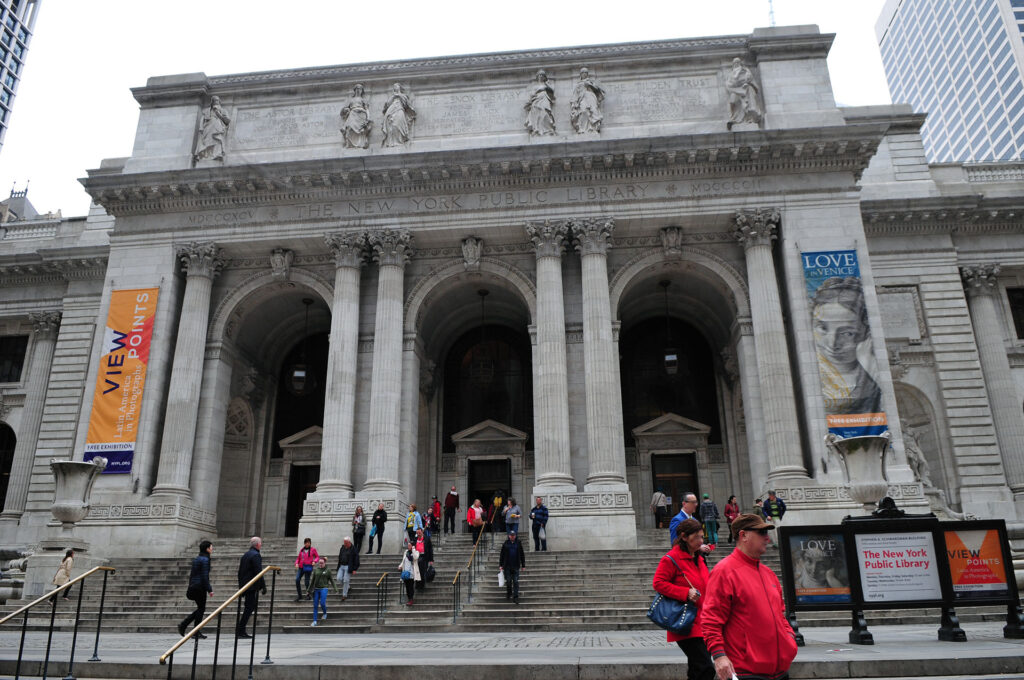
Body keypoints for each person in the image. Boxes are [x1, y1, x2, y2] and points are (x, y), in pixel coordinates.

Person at [702, 514, 797, 680]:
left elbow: (780, 615)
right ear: (743, 535)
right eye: (761, 533)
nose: (767, 538)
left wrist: (789, 640)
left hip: (780, 671)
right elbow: (711, 619)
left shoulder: (769, 574)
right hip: (746, 672)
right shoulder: (724, 571)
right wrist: (719, 655)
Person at [811, 276, 882, 416]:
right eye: (823, 328)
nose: (832, 344)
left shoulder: (874, 377)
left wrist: (870, 366)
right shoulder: (809, 376)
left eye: (847, 333)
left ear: (866, 332)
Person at [652, 518, 714, 680]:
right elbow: (658, 583)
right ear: (684, 537)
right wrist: (684, 592)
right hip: (686, 620)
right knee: (705, 667)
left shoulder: (699, 558)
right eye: (698, 537)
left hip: (704, 620)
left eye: (702, 537)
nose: (701, 541)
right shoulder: (671, 558)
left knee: (697, 668)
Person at [178, 540, 213, 638]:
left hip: (194, 586)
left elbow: (193, 575)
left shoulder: (197, 558)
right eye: (211, 547)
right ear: (207, 549)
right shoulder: (205, 560)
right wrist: (209, 589)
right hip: (200, 587)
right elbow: (204, 576)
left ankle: (187, 627)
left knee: (200, 609)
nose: (212, 549)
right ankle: (190, 628)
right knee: (201, 609)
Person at [236, 536, 267, 639]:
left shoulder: (246, 554)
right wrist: (263, 585)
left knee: (249, 607)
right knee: (249, 607)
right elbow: (259, 572)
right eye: (261, 543)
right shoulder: (256, 555)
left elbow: (240, 572)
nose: (261, 545)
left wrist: (241, 586)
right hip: (251, 586)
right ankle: (240, 630)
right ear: (258, 545)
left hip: (246, 585)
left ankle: (241, 629)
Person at [725, 58, 763, 130]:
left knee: (746, 104)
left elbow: (749, 79)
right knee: (732, 102)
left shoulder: (745, 70)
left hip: (745, 89)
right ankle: (734, 117)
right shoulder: (731, 73)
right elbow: (729, 83)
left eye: (738, 62)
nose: (736, 64)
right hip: (735, 90)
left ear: (740, 63)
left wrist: (745, 81)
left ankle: (747, 118)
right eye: (735, 63)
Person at [194, 96, 231, 161]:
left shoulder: (223, 111)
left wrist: (219, 114)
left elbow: (227, 121)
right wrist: (201, 127)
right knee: (207, 140)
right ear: (212, 102)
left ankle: (217, 154)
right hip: (208, 126)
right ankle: (205, 155)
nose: (216, 102)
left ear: (219, 102)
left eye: (217, 101)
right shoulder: (206, 111)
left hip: (218, 125)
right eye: (214, 101)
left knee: (217, 138)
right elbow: (202, 119)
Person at [570, 67, 605, 133]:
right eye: (583, 72)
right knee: (583, 111)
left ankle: (592, 128)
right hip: (582, 99)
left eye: (586, 72)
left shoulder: (591, 82)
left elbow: (598, 90)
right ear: (580, 74)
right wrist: (574, 104)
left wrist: (590, 85)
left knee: (593, 111)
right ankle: (583, 129)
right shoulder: (578, 84)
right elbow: (575, 95)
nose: (584, 74)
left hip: (591, 97)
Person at [306, 556, 339, 626]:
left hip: (324, 588)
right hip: (316, 589)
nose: (320, 564)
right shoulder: (316, 570)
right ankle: (315, 621)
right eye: (319, 563)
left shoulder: (328, 570)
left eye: (322, 563)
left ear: (325, 563)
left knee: (322, 603)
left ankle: (325, 613)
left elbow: (331, 580)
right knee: (315, 605)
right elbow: (312, 581)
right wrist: (308, 590)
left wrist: (335, 588)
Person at [381, 83, 415, 147]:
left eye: (396, 86)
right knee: (391, 126)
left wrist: (399, 96)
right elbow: (387, 104)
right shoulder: (392, 96)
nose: (395, 87)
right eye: (394, 86)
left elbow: (406, 104)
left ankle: (399, 141)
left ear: (399, 87)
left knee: (397, 124)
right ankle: (391, 142)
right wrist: (393, 96)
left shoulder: (403, 96)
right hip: (391, 110)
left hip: (399, 109)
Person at [340, 83, 372, 149]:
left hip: (361, 115)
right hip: (353, 114)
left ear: (362, 91)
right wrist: (346, 110)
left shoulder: (363, 100)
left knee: (361, 130)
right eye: (357, 89)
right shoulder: (351, 100)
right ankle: (349, 143)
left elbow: (367, 109)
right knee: (349, 127)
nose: (358, 90)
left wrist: (368, 118)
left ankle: (360, 143)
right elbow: (343, 110)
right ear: (355, 90)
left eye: (360, 89)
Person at [524, 69, 556, 136]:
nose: (541, 76)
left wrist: (547, 85)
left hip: (544, 99)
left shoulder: (547, 85)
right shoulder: (535, 86)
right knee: (536, 114)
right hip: (536, 101)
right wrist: (539, 90)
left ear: (545, 77)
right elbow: (532, 95)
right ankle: (537, 129)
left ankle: (547, 129)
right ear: (537, 77)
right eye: (539, 75)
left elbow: (552, 91)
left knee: (545, 113)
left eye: (542, 75)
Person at [498, 529, 526, 603]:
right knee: (509, 581)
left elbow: (522, 554)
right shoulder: (506, 543)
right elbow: (502, 555)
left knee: (516, 581)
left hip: (516, 565)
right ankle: (509, 592)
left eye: (514, 535)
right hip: (507, 566)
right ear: (509, 536)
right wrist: (500, 565)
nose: (512, 536)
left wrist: (523, 565)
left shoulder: (518, 543)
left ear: (515, 536)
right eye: (511, 535)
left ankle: (515, 597)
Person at [294, 537, 319, 601]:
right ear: (304, 543)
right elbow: (298, 558)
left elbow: (317, 557)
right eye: (306, 543)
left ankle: (308, 595)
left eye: (308, 543)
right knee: (297, 580)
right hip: (301, 567)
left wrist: (314, 561)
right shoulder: (302, 550)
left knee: (307, 582)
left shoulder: (313, 549)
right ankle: (300, 595)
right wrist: (296, 563)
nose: (307, 544)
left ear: (310, 543)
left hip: (308, 567)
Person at [336, 536, 360, 601]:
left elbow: (356, 559)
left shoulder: (353, 549)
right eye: (344, 542)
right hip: (341, 565)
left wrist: (354, 569)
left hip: (348, 566)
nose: (344, 544)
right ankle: (348, 587)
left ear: (349, 542)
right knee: (339, 578)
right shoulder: (342, 548)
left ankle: (344, 595)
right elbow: (340, 556)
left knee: (346, 580)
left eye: (346, 542)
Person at [414, 527, 434, 592]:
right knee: (417, 572)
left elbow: (430, 550)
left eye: (419, 532)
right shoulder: (415, 539)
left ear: (422, 532)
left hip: (424, 557)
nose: (418, 534)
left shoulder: (427, 539)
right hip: (416, 557)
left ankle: (422, 586)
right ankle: (417, 585)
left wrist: (431, 560)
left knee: (422, 572)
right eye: (417, 533)